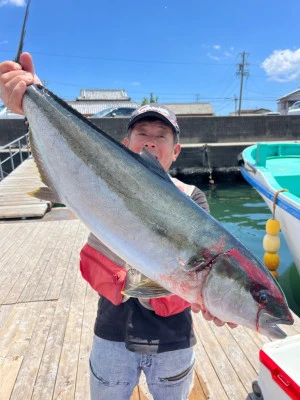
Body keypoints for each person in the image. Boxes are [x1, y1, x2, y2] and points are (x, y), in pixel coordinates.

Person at [0, 53, 236, 400]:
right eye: (142, 132)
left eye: (162, 136)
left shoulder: (193, 199)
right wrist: (31, 102)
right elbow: (74, 154)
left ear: (176, 151)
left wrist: (217, 298)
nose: (152, 140)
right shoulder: (103, 184)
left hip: (173, 340)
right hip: (111, 332)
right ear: (126, 144)